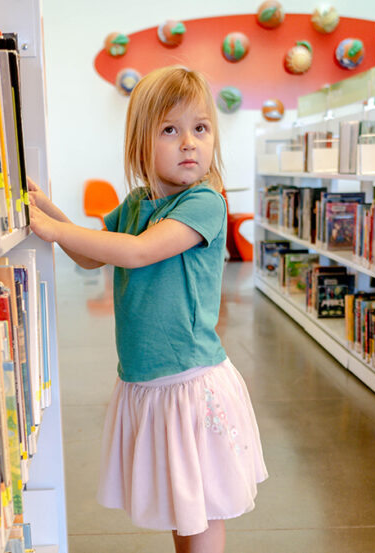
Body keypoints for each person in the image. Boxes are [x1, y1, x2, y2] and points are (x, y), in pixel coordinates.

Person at [27, 65, 267, 553]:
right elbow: (92, 252)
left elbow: (136, 253)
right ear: (142, 142)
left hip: (188, 382)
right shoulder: (138, 203)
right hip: (148, 379)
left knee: (200, 509)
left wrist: (52, 229)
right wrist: (48, 211)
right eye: (170, 130)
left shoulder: (204, 203)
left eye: (200, 129)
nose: (189, 144)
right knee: (183, 506)